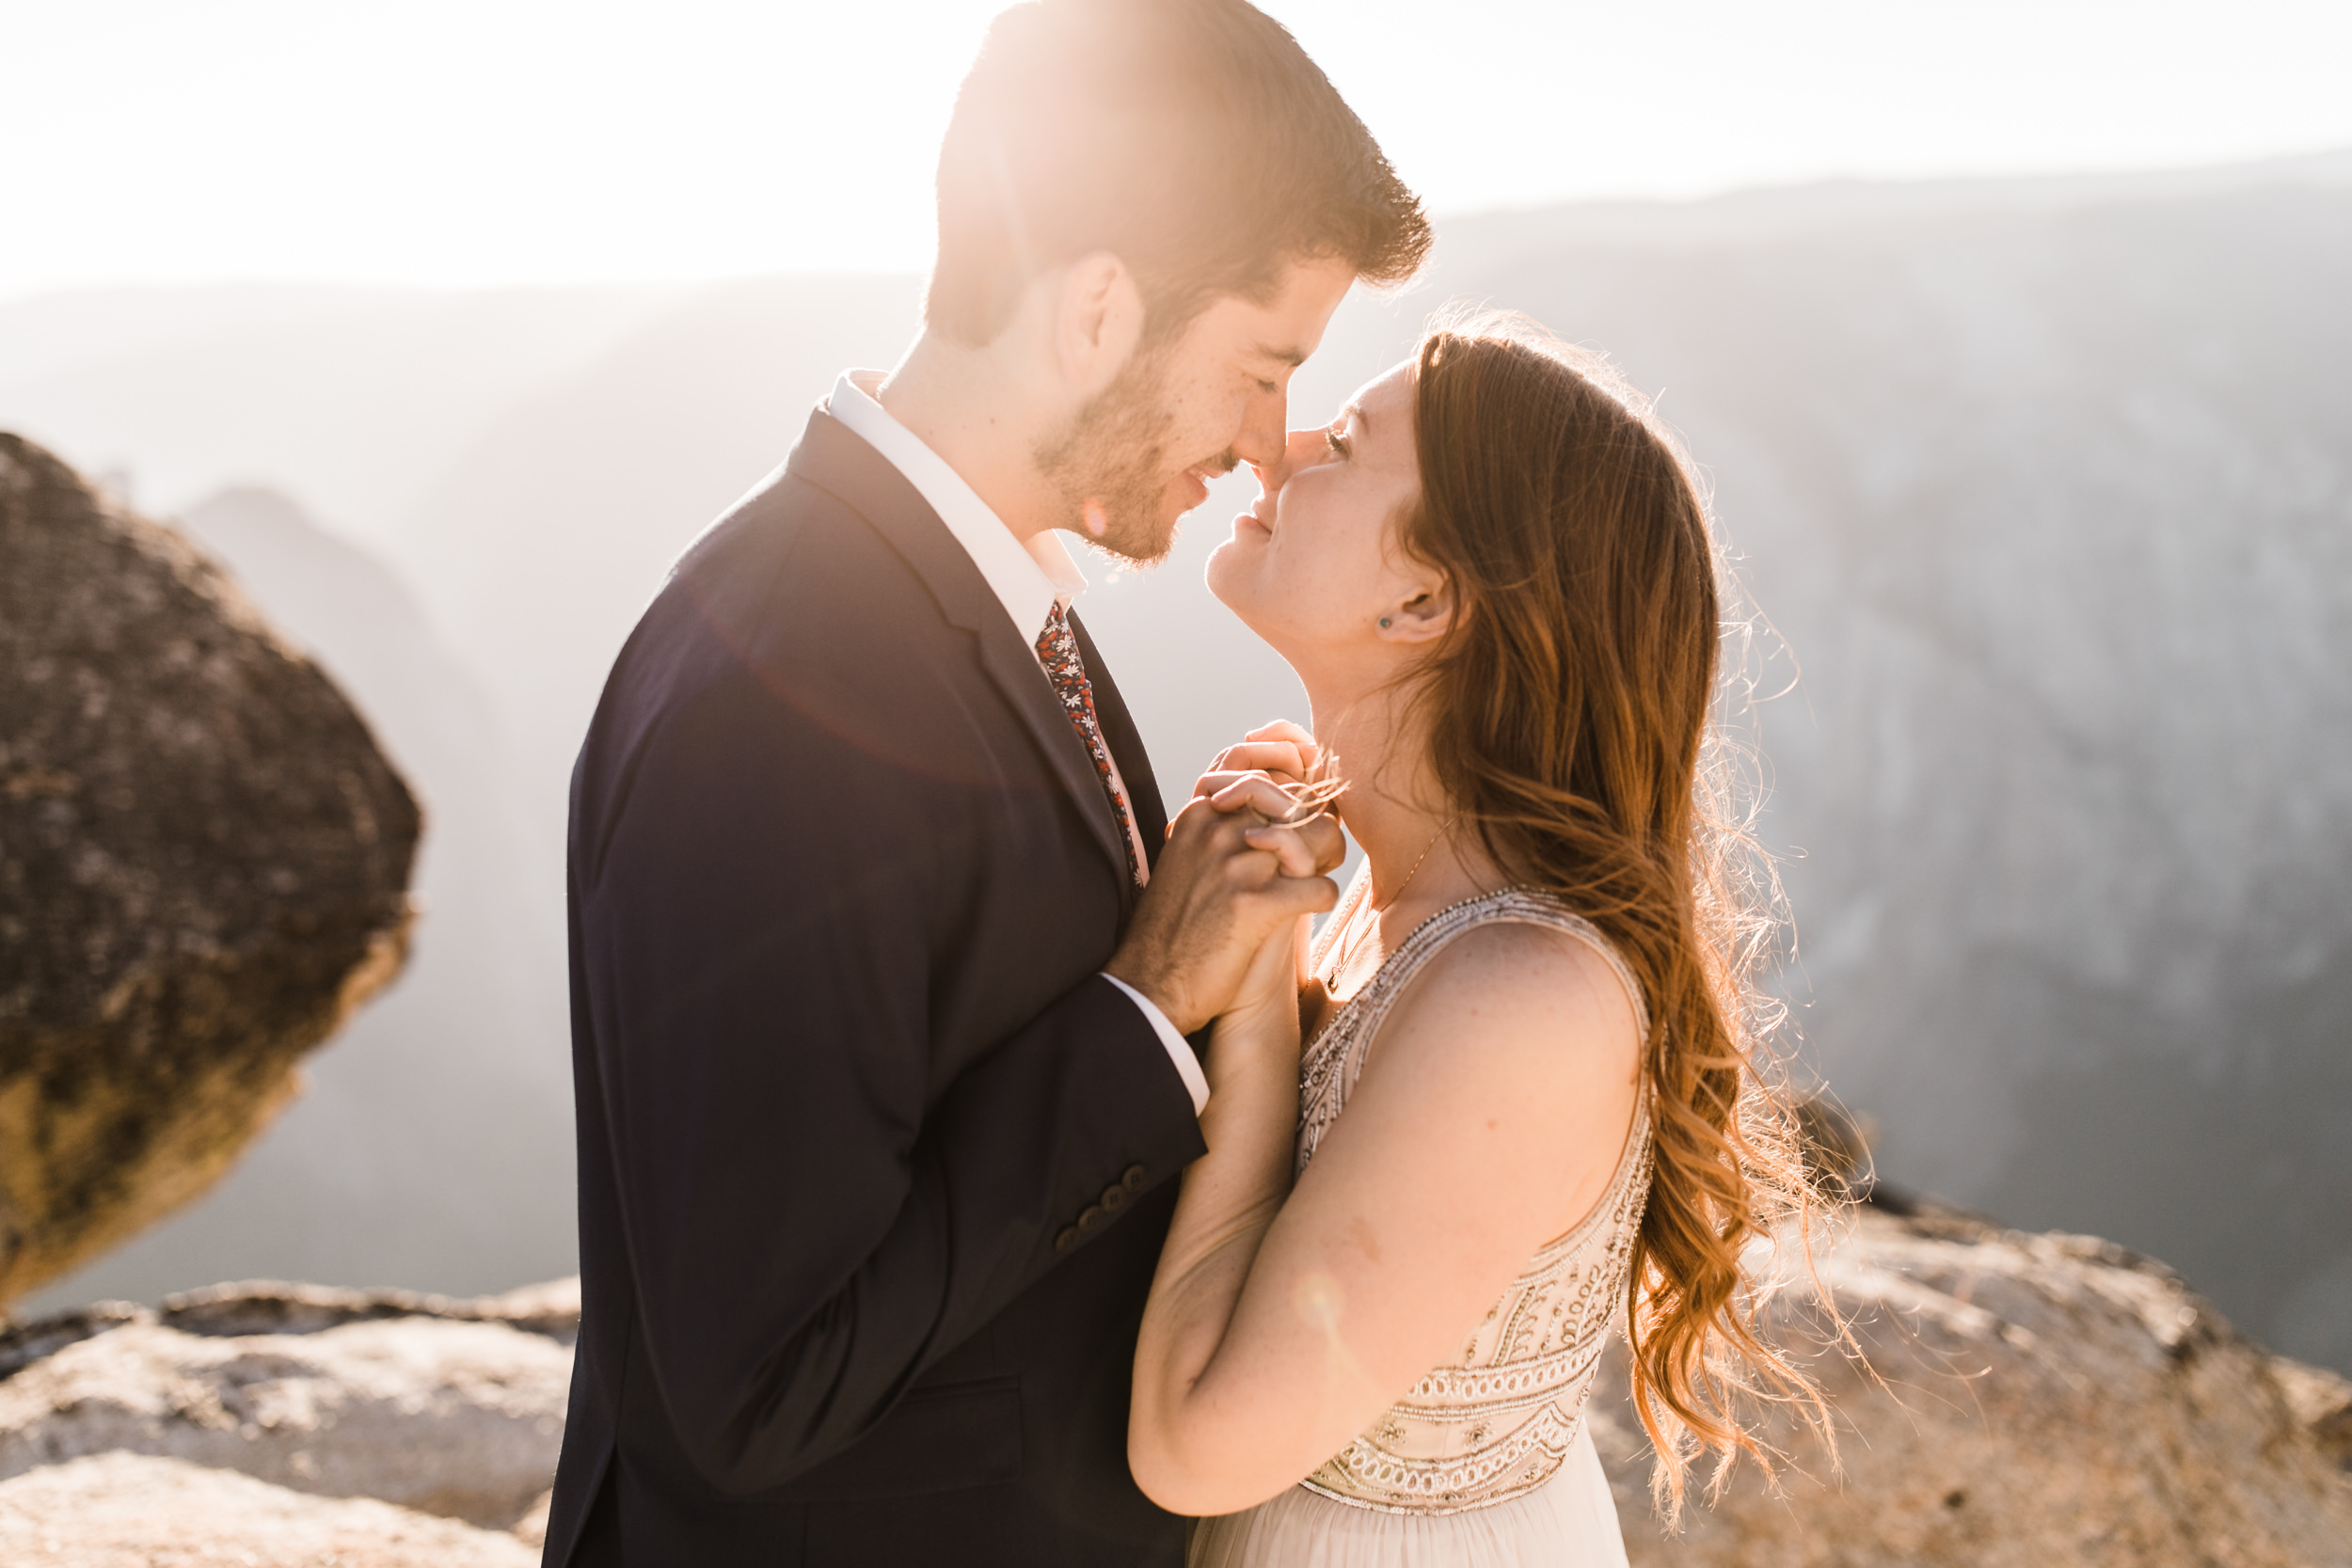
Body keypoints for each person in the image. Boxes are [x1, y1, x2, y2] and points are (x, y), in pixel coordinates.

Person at [538, 4, 1430, 1565]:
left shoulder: (977, 603)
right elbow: (756, 1383)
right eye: (1262, 366)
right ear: (1097, 311)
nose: (1269, 445)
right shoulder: (782, 687)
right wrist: (1148, 1001)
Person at [1127, 313, 1830, 1567]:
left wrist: (1253, 1013)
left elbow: (1198, 1445)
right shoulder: (1389, 909)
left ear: (1424, 597)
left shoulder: (1521, 999)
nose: (1276, 447)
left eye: (1342, 441)